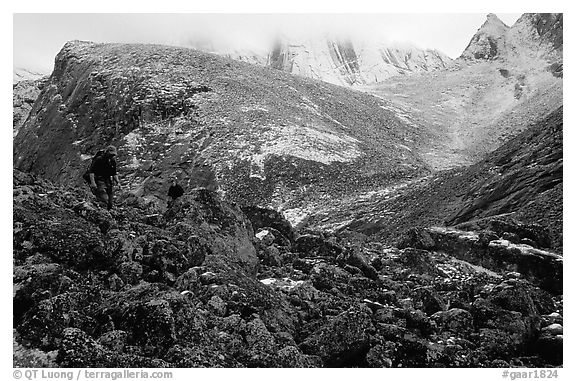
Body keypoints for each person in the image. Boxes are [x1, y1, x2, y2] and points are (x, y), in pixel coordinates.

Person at [88, 145, 120, 210]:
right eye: (111, 154)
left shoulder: (112, 161)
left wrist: (118, 182)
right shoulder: (99, 159)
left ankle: (108, 212)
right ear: (107, 152)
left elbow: (114, 173)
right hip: (99, 180)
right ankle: (102, 213)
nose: (112, 156)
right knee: (104, 199)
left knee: (110, 202)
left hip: (108, 181)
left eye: (113, 155)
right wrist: (93, 183)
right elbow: (91, 172)